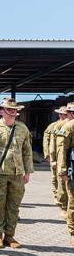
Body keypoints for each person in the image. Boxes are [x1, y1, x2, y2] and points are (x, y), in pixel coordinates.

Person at [0, 98, 33, 249]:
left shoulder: (22, 129)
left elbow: (27, 151)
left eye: (15, 109)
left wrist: (28, 171)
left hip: (17, 174)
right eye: (9, 109)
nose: (13, 112)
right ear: (2, 111)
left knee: (14, 206)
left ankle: (9, 236)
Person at [56, 102, 74, 246]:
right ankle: (73, 234)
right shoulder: (68, 127)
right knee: (73, 202)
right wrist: (62, 170)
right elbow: (62, 150)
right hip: (72, 171)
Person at [48, 106, 71, 218]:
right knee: (61, 183)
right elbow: (53, 143)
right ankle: (63, 206)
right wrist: (52, 159)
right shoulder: (59, 126)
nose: (64, 116)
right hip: (61, 158)